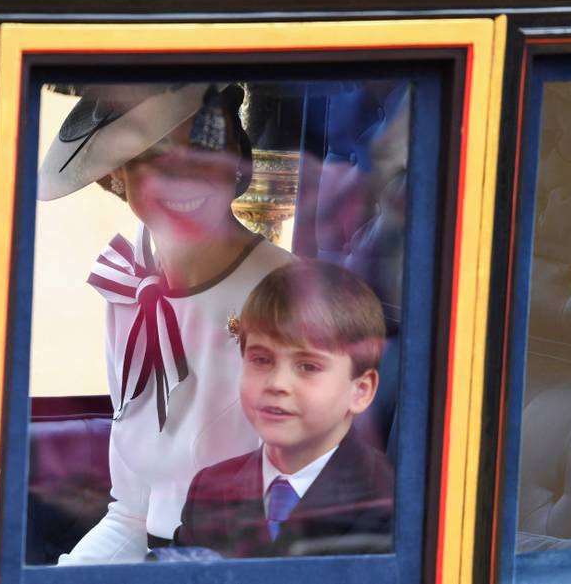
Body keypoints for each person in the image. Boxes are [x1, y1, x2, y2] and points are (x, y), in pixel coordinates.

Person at [38, 83, 293, 563]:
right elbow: (132, 513)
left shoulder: (291, 295)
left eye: (203, 146)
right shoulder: (128, 284)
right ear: (117, 176)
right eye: (153, 156)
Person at [172, 259, 394, 558]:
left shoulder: (392, 500)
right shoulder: (210, 488)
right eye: (261, 360)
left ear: (361, 390)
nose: (277, 383)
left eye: (308, 366)